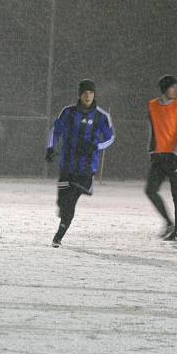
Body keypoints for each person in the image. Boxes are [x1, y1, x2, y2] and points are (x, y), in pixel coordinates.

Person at [45, 79, 115, 247]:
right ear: (79, 94)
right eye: (85, 92)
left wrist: (96, 146)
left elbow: (110, 137)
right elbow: (56, 130)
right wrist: (50, 147)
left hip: (86, 168)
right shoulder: (68, 112)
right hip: (67, 165)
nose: (88, 96)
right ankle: (63, 214)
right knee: (62, 201)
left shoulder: (101, 116)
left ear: (94, 94)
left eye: (91, 93)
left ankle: (58, 236)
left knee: (70, 201)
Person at [145, 75, 177, 241]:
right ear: (165, 89)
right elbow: (152, 128)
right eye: (173, 87)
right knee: (150, 190)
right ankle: (169, 223)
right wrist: (151, 150)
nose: (176, 90)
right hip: (160, 155)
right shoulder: (152, 105)